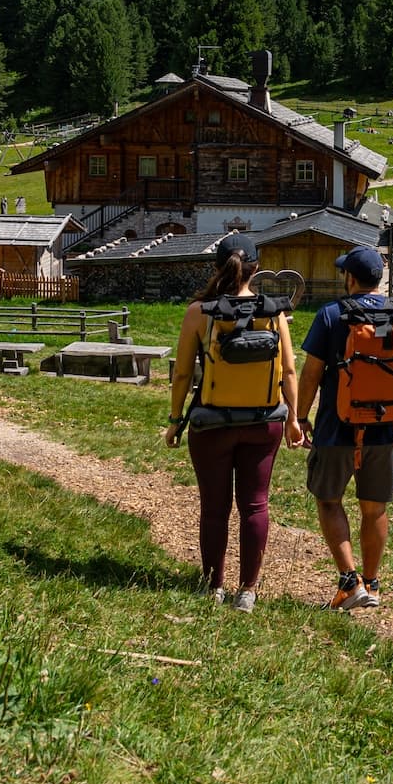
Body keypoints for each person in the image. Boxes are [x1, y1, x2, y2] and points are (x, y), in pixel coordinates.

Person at [165, 233, 301, 611]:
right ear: (255, 270)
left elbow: (181, 376)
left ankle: (214, 586)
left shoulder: (200, 312)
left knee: (214, 507)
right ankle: (248, 591)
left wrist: (176, 421)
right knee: (255, 505)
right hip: (264, 420)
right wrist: (293, 419)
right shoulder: (273, 311)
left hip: (211, 422)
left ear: (216, 267)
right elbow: (289, 370)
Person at [297, 245, 393, 610]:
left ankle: (348, 581)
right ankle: (371, 584)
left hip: (336, 428)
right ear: (379, 280)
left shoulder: (330, 316)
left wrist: (298, 417)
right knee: (375, 509)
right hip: (387, 431)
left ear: (350, 279)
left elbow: (311, 374)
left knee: (328, 501)